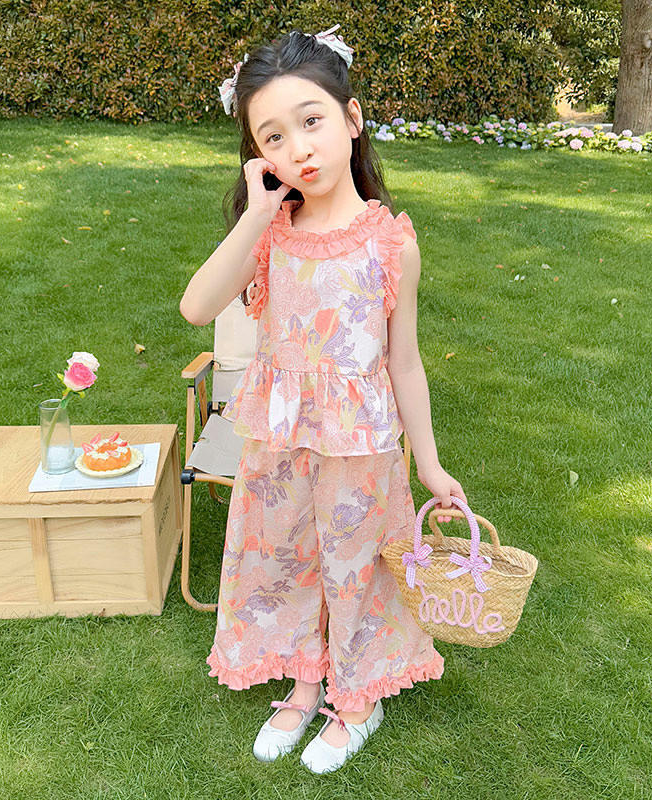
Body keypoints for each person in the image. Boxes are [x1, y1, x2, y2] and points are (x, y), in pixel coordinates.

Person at [179, 23, 467, 774]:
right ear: (257, 157)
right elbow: (197, 307)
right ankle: (305, 676)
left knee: (358, 564)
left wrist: (430, 465)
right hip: (278, 439)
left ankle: (359, 695)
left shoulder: (390, 243)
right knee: (283, 554)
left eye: (311, 121)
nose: (298, 149)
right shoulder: (269, 234)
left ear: (352, 118)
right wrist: (256, 213)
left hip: (360, 444)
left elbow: (405, 363)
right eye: (272, 137)